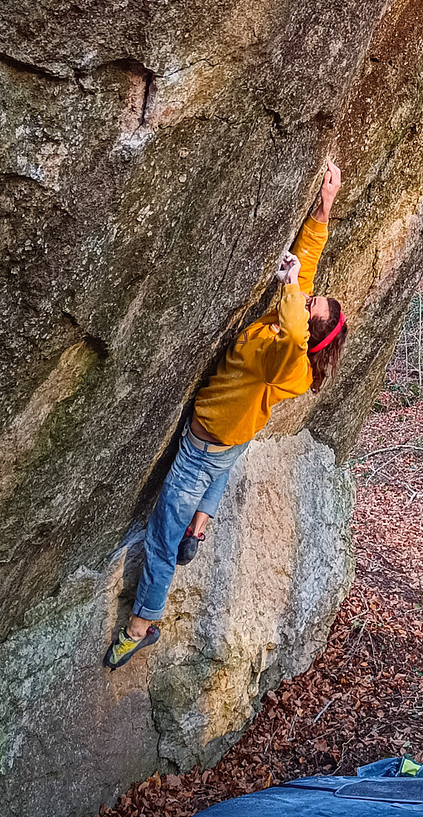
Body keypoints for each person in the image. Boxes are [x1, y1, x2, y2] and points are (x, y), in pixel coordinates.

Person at [104, 162, 347, 670]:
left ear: (310, 332)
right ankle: (201, 524)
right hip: (230, 441)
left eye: (311, 305)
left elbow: (295, 325)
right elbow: (305, 274)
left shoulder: (288, 361)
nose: (304, 298)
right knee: (224, 464)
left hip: (203, 446)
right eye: (308, 298)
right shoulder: (289, 337)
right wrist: (323, 210)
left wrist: (290, 287)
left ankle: (141, 626)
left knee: (160, 538)